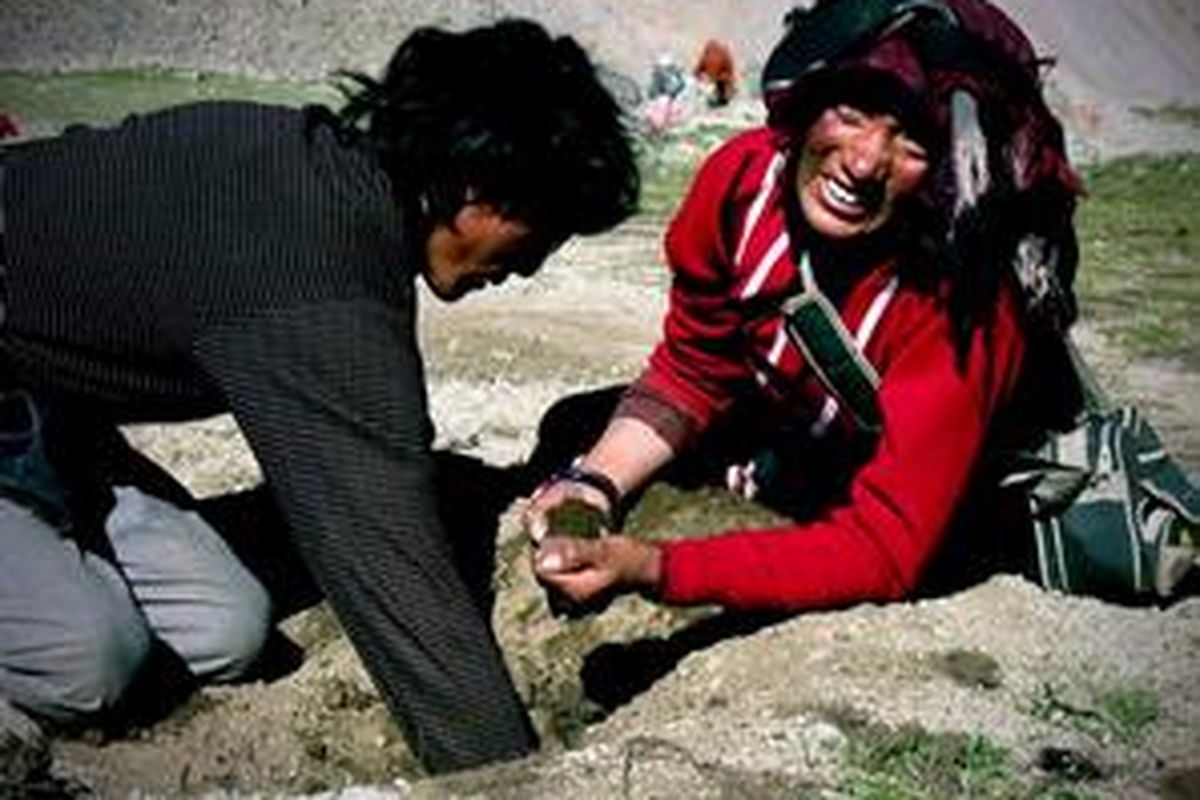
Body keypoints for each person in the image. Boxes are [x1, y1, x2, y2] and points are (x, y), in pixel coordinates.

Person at [0, 19, 638, 773]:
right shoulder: (315, 278)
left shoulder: (333, 182)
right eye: (540, 230)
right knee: (89, 660)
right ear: (473, 188)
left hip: (44, 414)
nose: (530, 267)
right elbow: (394, 566)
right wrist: (503, 779)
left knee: (225, 628)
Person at [525, 0, 1083, 614]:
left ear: (953, 166)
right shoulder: (742, 183)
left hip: (914, 486)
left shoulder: (968, 300)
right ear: (810, 99)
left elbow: (886, 545)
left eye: (915, 141)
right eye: (851, 111)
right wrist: (593, 484)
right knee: (572, 428)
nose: (866, 161)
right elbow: (695, 369)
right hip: (797, 432)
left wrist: (655, 569)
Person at [693, 39, 736, 107]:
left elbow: (696, 72)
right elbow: (697, 71)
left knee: (718, 86)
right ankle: (715, 98)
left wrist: (717, 78)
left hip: (718, 84)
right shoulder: (708, 57)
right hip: (714, 84)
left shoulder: (721, 56)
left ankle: (717, 98)